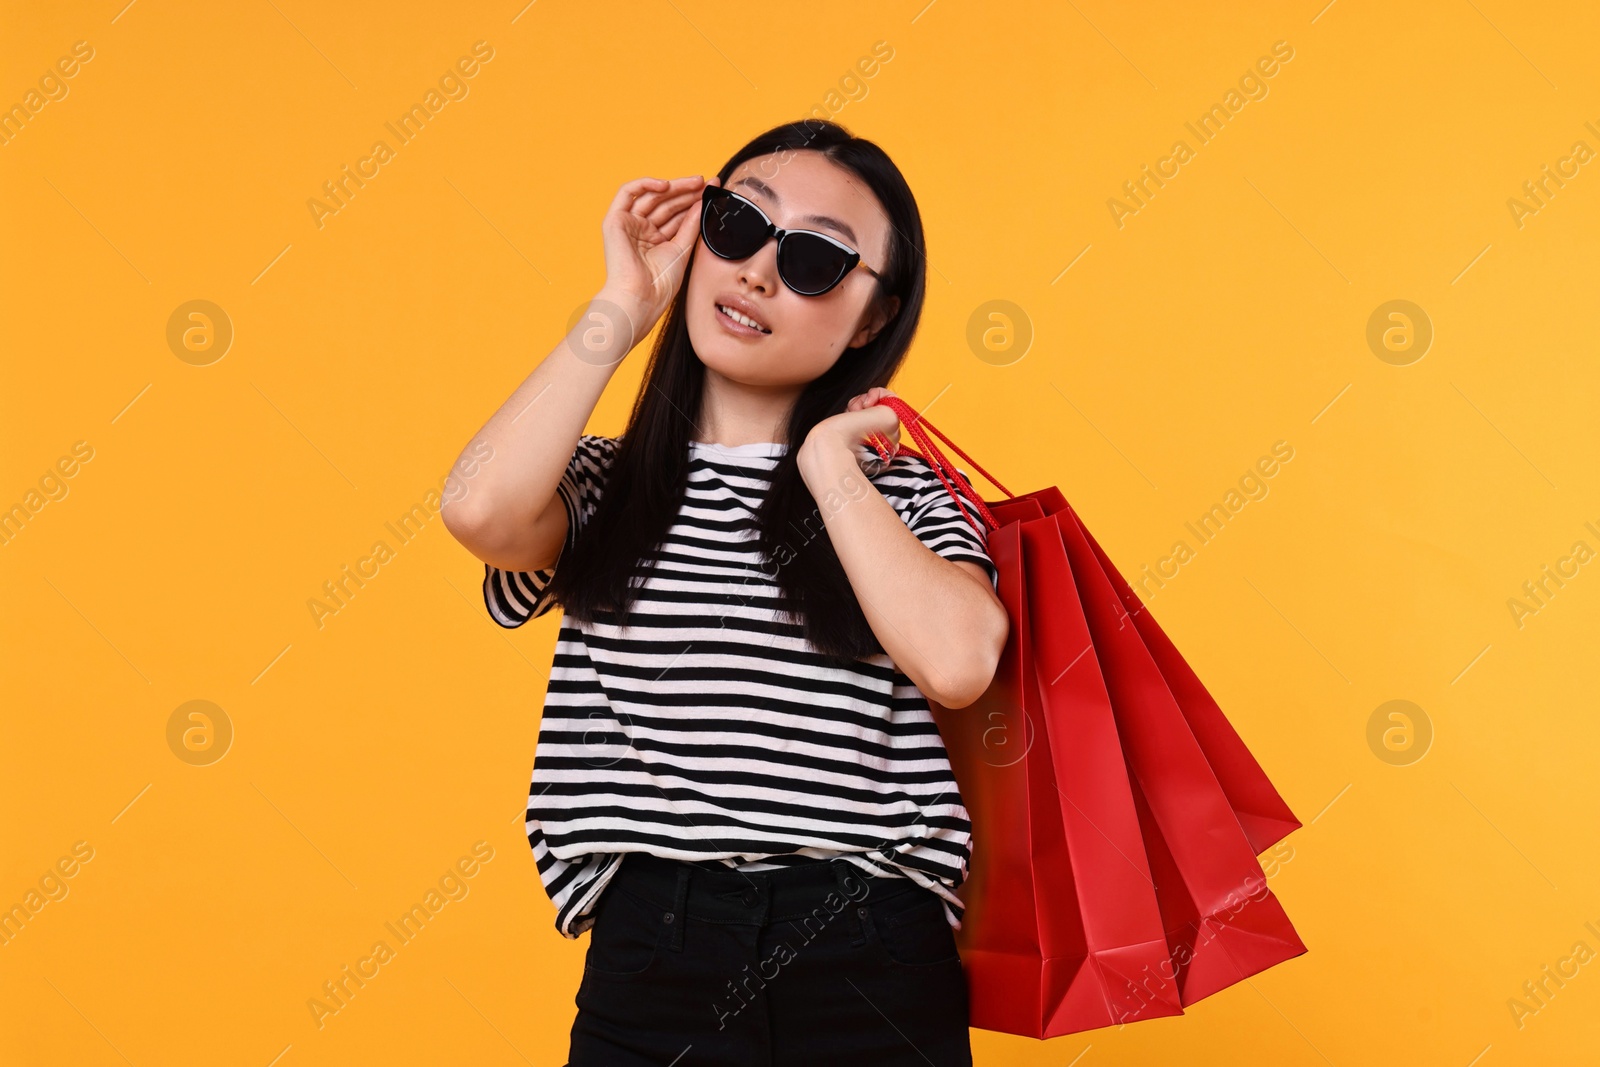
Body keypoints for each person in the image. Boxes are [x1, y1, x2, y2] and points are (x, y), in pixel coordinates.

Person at [441, 118, 1008, 1066]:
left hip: (869, 945)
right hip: (657, 950)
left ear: (872, 320)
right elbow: (480, 512)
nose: (755, 272)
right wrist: (624, 302)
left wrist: (831, 465)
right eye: (739, 223)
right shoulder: (599, 485)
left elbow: (957, 663)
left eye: (817, 259)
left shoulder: (904, 498)